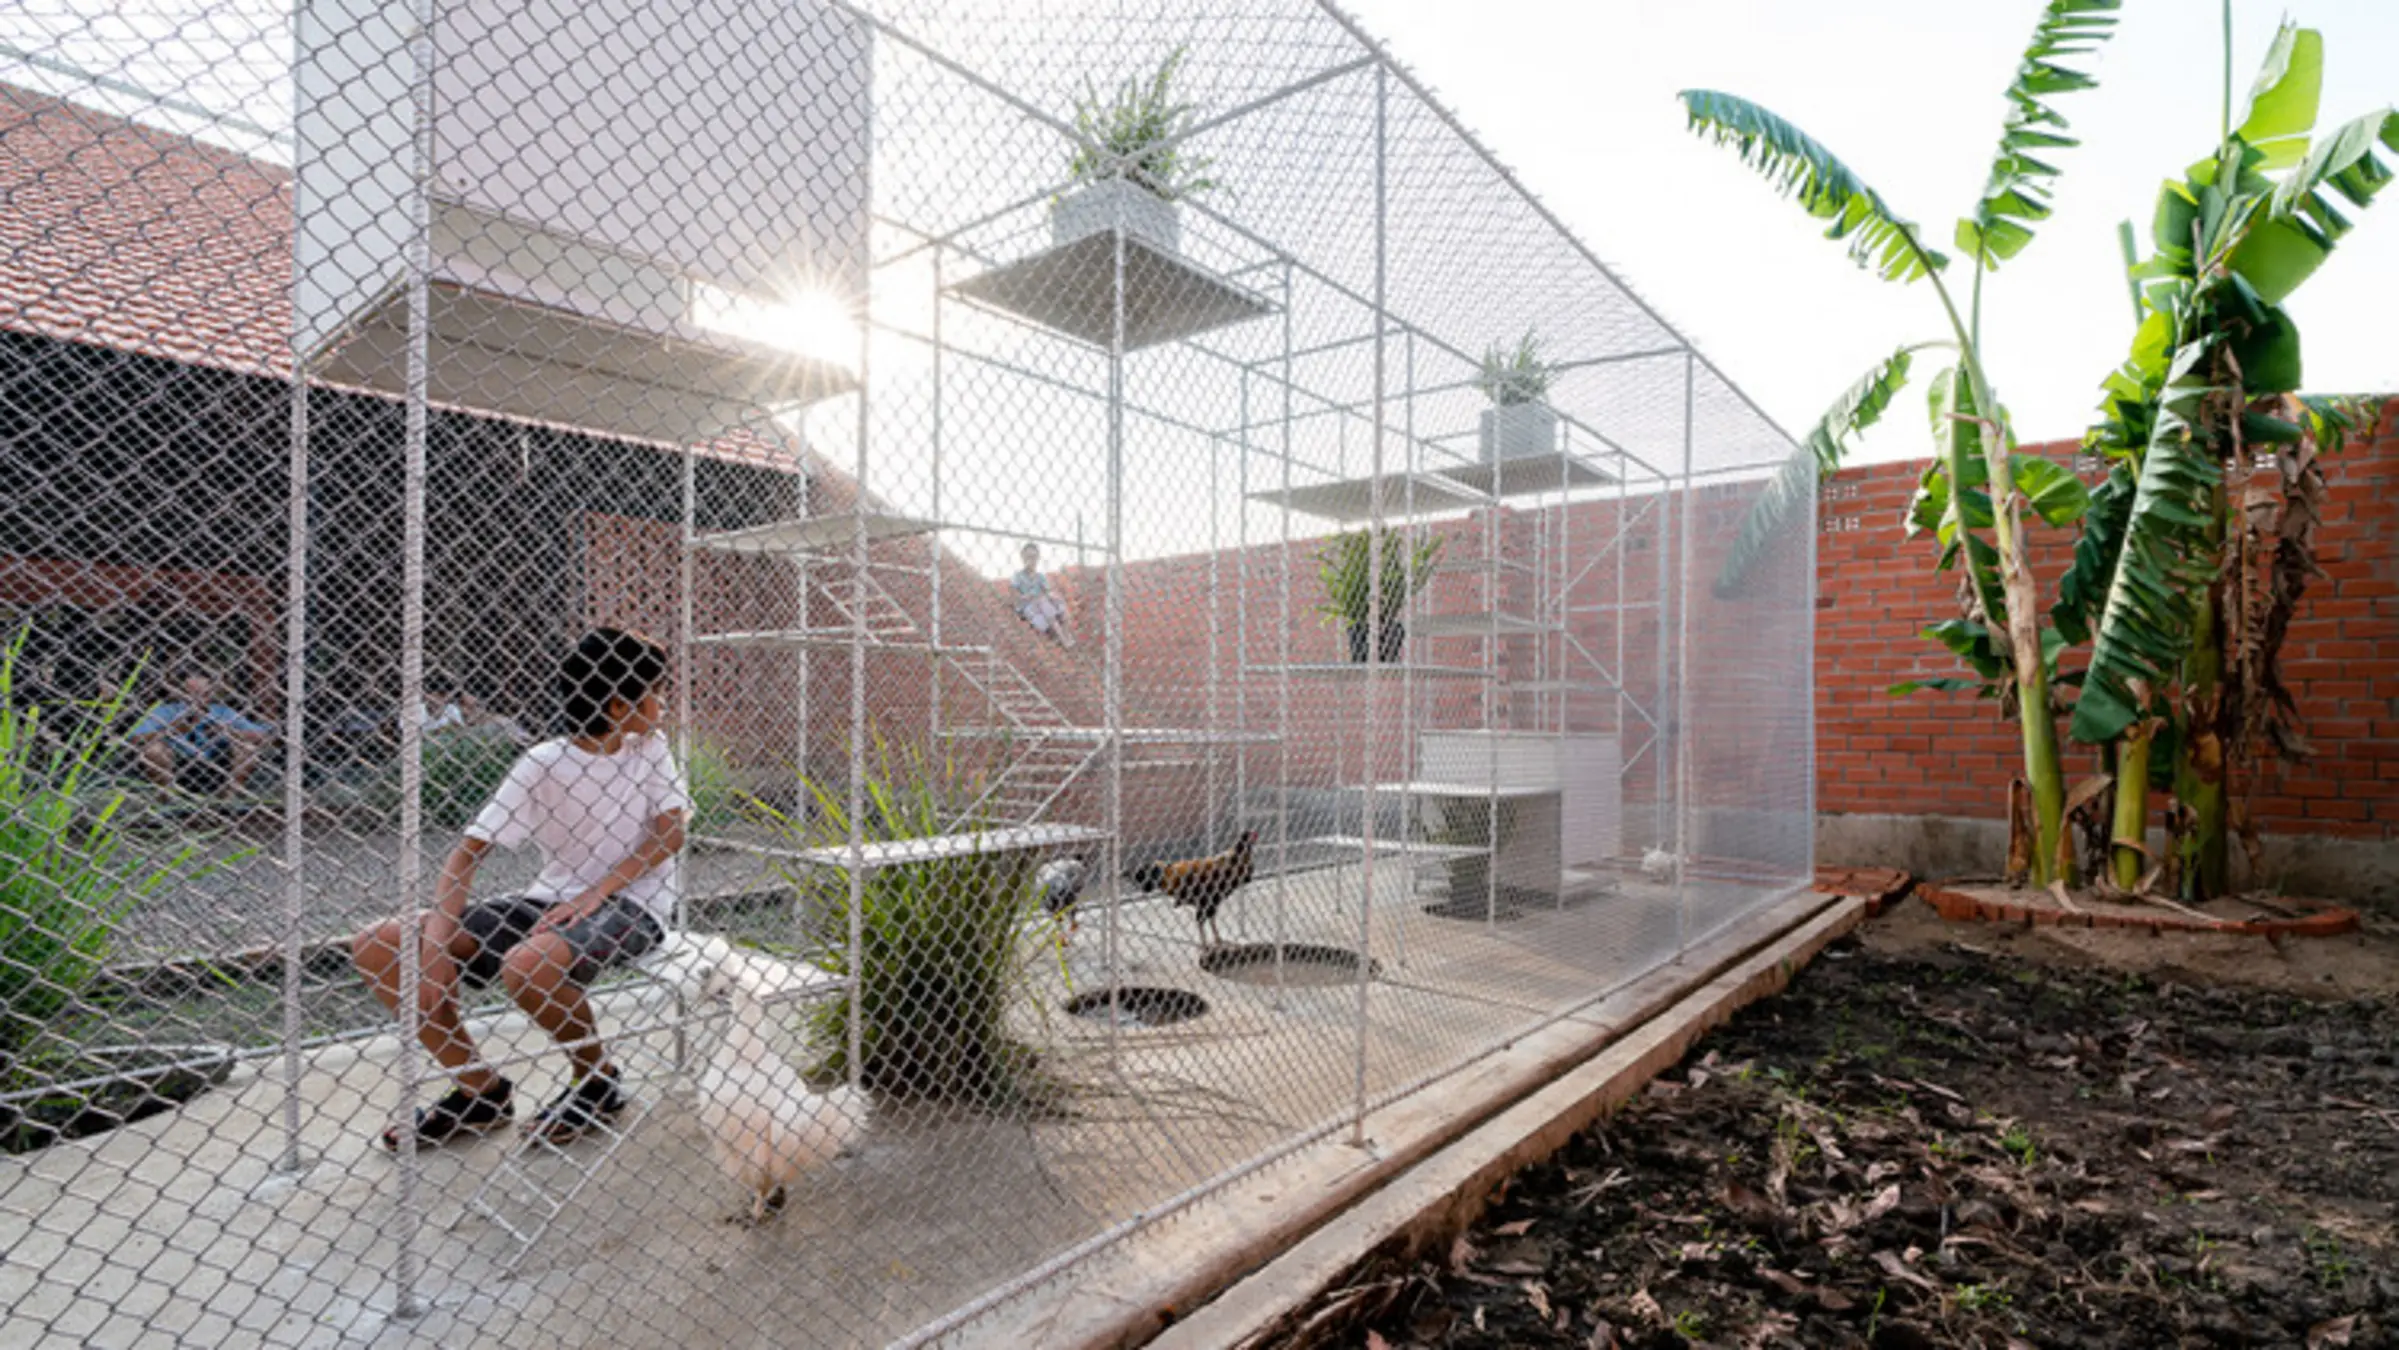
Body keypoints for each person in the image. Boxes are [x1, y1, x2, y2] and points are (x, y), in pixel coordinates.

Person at [351, 628, 689, 1150]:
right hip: (548, 902)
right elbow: (466, 853)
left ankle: (597, 1081)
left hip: (633, 905)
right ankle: (479, 1090)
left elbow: (671, 832)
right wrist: (436, 950)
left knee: (526, 965)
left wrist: (594, 894)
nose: (664, 702)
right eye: (657, 690)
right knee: (380, 942)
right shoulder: (542, 763)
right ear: (621, 704)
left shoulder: (649, 749)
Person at [126, 669, 273, 795]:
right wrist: (171, 730)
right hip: (176, 764)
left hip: (217, 764)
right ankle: (167, 796)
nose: (198, 700)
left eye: (204, 694)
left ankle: (228, 797)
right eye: (192, 694)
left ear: (212, 693)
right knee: (153, 750)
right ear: (180, 693)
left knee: (248, 748)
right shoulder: (165, 711)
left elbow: (262, 736)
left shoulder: (222, 712)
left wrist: (229, 732)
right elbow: (135, 740)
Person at [1010, 542, 1075, 648]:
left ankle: (1065, 633)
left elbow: (1047, 591)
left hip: (1042, 603)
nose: (1032, 560)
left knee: (1054, 600)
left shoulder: (1040, 577)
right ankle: (1063, 638)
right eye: (1029, 557)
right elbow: (1014, 597)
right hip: (1028, 604)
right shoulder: (1018, 576)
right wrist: (1027, 597)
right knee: (1042, 601)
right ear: (1023, 558)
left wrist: (1053, 596)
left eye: (1034, 557)